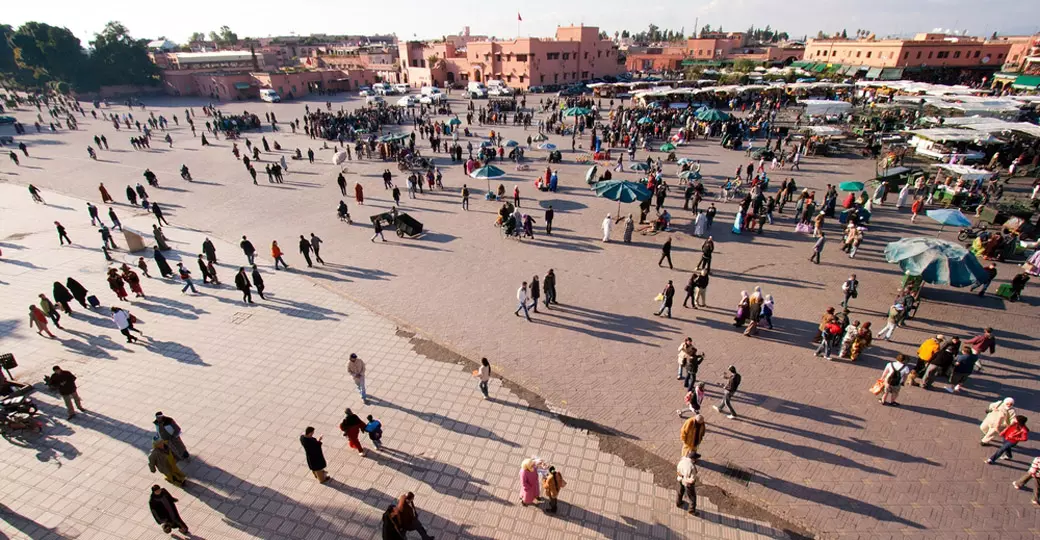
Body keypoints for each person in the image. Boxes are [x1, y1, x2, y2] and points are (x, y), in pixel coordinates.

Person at [676, 452, 699, 516]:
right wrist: (689, 481)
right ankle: (691, 510)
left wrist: (682, 477)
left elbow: (678, 471)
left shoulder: (682, 461)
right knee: (692, 497)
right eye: (696, 459)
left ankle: (678, 503)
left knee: (680, 492)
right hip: (687, 483)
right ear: (693, 459)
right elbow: (692, 480)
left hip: (680, 479)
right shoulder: (692, 467)